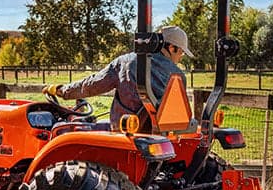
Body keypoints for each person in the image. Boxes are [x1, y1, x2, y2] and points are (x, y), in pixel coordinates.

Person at [43, 25, 193, 127]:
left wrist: (62, 90)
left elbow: (91, 86)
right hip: (161, 136)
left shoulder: (127, 62)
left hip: (125, 132)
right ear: (171, 47)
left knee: (63, 129)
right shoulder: (179, 77)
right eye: (181, 52)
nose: (180, 57)